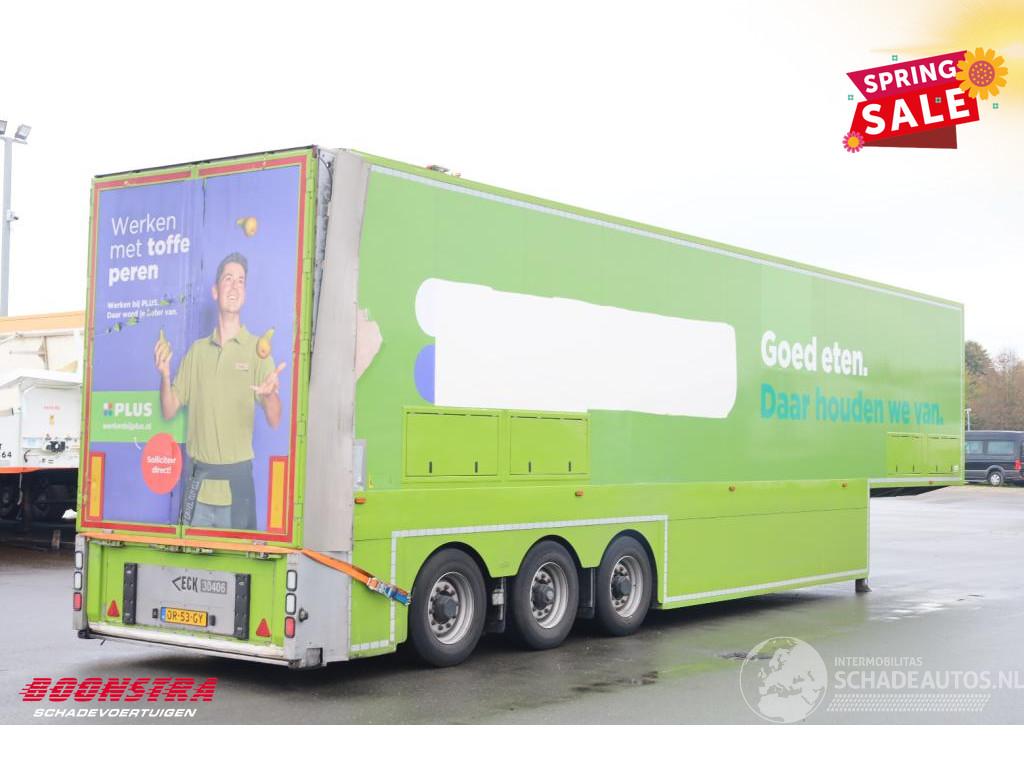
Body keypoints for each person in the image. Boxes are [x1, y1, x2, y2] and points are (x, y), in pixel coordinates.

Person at [154, 252, 285, 529]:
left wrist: (269, 395)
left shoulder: (257, 351)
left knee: (239, 558)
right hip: (198, 488)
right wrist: (165, 375)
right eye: (228, 279)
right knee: (191, 557)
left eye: (241, 281)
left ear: (245, 293)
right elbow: (169, 409)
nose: (235, 286)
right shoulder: (197, 351)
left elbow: (275, 419)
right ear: (215, 291)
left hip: (237, 491)